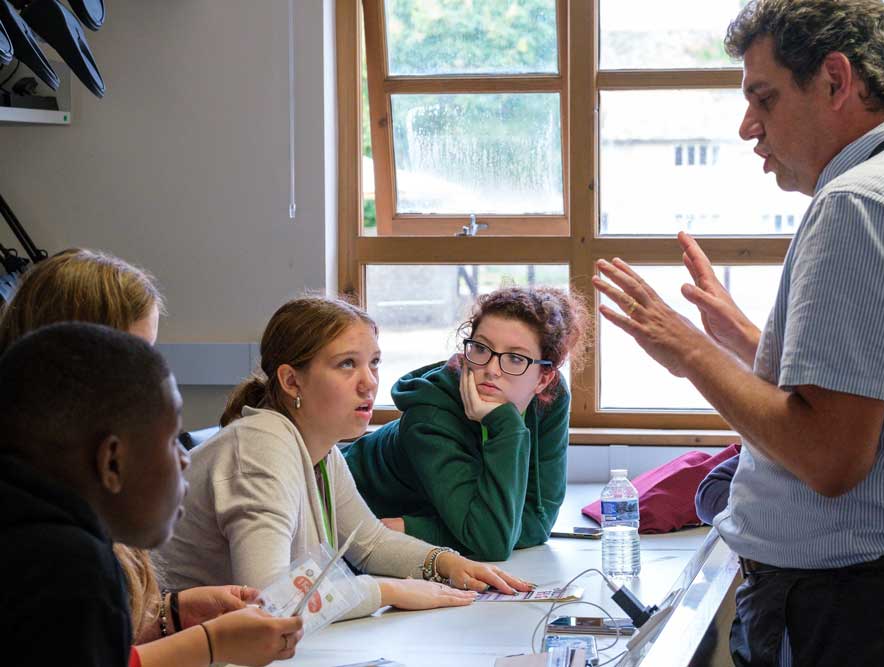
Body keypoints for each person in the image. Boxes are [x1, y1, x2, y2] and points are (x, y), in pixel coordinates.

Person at [591, 1, 884, 664]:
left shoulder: (860, 204)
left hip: (856, 610)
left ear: (836, 81)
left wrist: (688, 351)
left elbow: (828, 456)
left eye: (764, 96)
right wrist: (743, 342)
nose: (749, 125)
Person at [0, 248, 302, 666]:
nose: (183, 457)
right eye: (133, 357)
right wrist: (209, 645)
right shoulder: (62, 562)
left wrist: (170, 614)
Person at [156, 295, 534, 617]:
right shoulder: (261, 449)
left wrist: (448, 563)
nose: (369, 381)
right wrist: (387, 593)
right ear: (291, 381)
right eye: (347, 364)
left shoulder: (318, 447)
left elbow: (370, 543)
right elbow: (269, 599)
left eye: (374, 363)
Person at [344, 286, 588, 561]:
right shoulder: (429, 415)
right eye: (481, 349)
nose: (491, 370)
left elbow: (538, 523)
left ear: (543, 379)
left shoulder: (550, 397)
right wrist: (506, 425)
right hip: (337, 509)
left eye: (515, 358)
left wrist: (417, 529)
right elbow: (492, 543)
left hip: (399, 530)